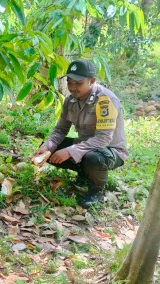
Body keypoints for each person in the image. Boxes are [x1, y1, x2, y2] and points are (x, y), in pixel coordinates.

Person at [36, 59, 128, 208]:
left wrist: (71, 151)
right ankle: (85, 174)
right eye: (70, 82)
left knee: (94, 158)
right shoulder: (70, 100)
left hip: (110, 151)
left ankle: (96, 190)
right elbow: (60, 130)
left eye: (78, 83)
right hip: (86, 145)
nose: (72, 87)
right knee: (50, 150)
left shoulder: (105, 100)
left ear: (92, 81)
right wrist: (48, 146)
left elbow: (103, 139)